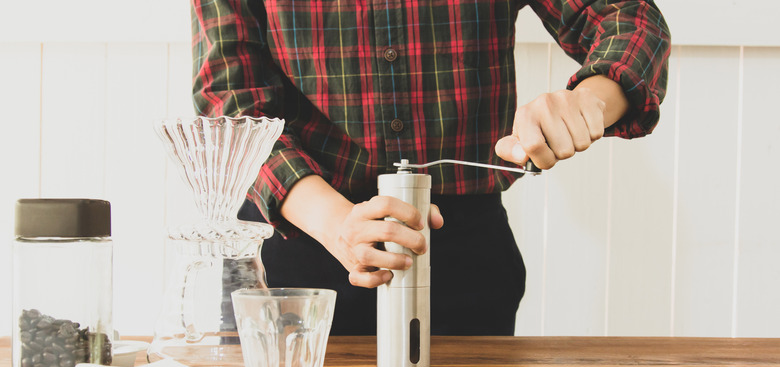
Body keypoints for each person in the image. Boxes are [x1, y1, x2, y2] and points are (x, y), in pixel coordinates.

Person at [192, 0, 671, 335]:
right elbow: (230, 101)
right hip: (298, 249)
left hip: (463, 256)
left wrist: (589, 99)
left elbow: (627, 17)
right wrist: (337, 224)